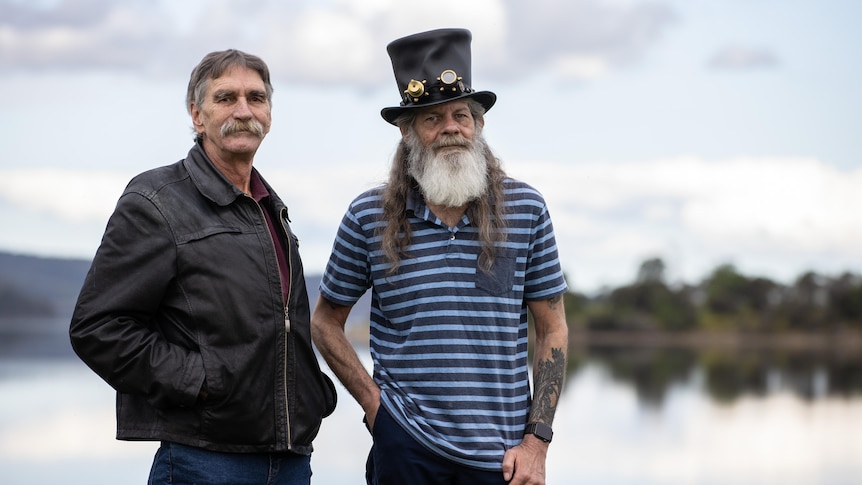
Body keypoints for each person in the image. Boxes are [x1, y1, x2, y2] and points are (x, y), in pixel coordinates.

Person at [311, 29, 569, 485]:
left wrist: (536, 444)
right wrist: (378, 410)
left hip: (505, 460)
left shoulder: (526, 209)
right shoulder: (367, 216)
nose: (450, 127)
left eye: (461, 115)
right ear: (407, 132)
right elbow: (324, 323)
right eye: (432, 118)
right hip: (406, 451)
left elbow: (552, 328)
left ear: (479, 124)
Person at [69, 49, 336, 485]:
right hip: (205, 459)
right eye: (226, 98)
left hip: (290, 459)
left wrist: (313, 395)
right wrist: (201, 381)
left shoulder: (270, 207)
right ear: (197, 115)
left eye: (257, 98)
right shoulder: (156, 200)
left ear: (269, 114)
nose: (244, 111)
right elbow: (97, 327)